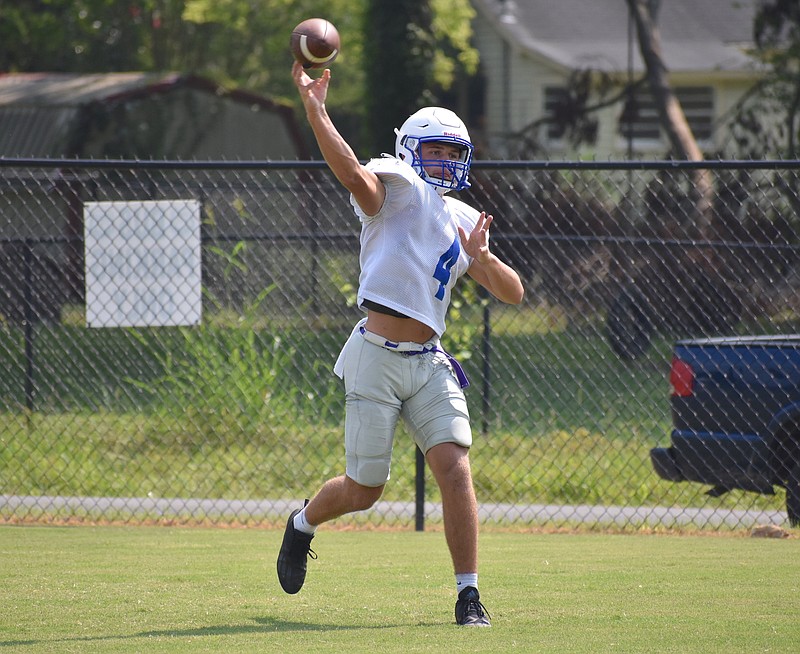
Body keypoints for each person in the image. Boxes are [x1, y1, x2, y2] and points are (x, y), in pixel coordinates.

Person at [278, 61, 524, 627]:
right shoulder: (395, 187)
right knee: (366, 489)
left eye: (452, 152)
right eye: (435, 151)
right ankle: (302, 524)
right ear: (412, 152)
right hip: (376, 355)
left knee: (454, 465)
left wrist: (484, 260)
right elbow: (350, 173)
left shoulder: (463, 216)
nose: (445, 162)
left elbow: (513, 292)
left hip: (429, 361)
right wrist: (316, 111)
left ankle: (468, 595)